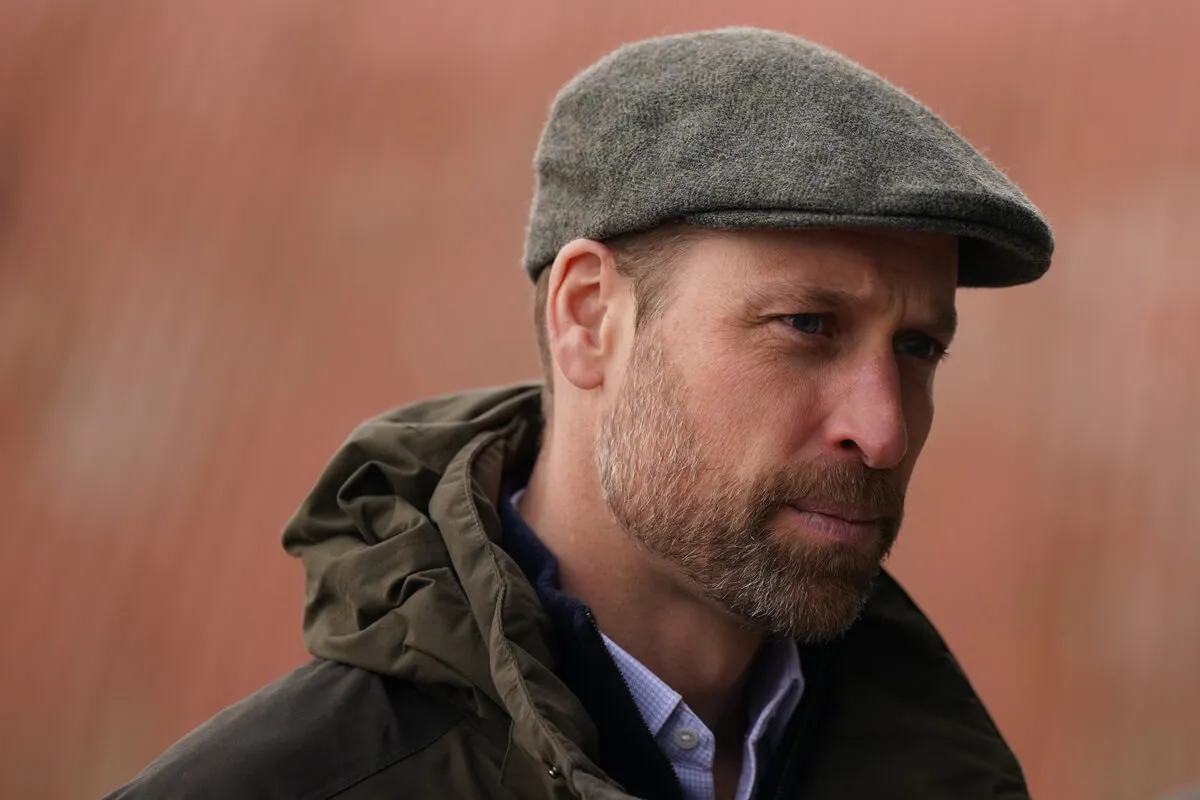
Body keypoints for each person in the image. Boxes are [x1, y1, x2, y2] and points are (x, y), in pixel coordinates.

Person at [106, 27, 1053, 800]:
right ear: (589, 319)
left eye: (920, 348)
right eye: (806, 325)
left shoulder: (944, 767)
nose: (882, 430)